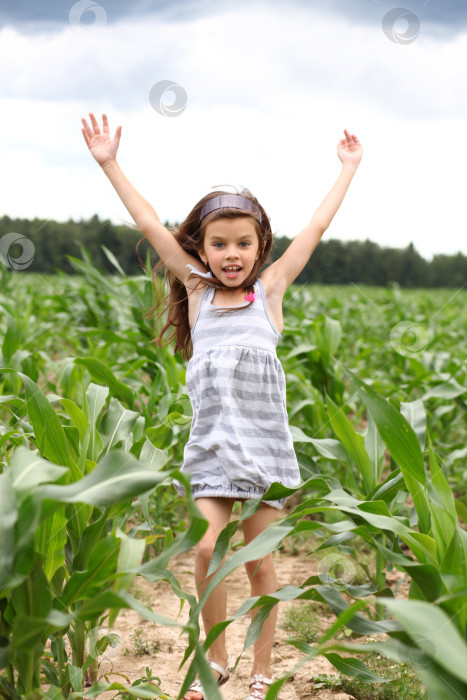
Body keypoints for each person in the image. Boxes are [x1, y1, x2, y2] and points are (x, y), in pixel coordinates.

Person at [81, 113, 363, 700]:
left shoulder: (272, 292)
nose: (231, 254)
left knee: (261, 564)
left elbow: (315, 225)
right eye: (218, 243)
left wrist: (348, 168)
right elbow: (148, 223)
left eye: (243, 243)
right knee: (206, 549)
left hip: (264, 453)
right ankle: (216, 658)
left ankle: (262, 670)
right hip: (212, 449)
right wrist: (109, 162)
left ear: (260, 247)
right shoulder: (198, 290)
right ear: (202, 248)